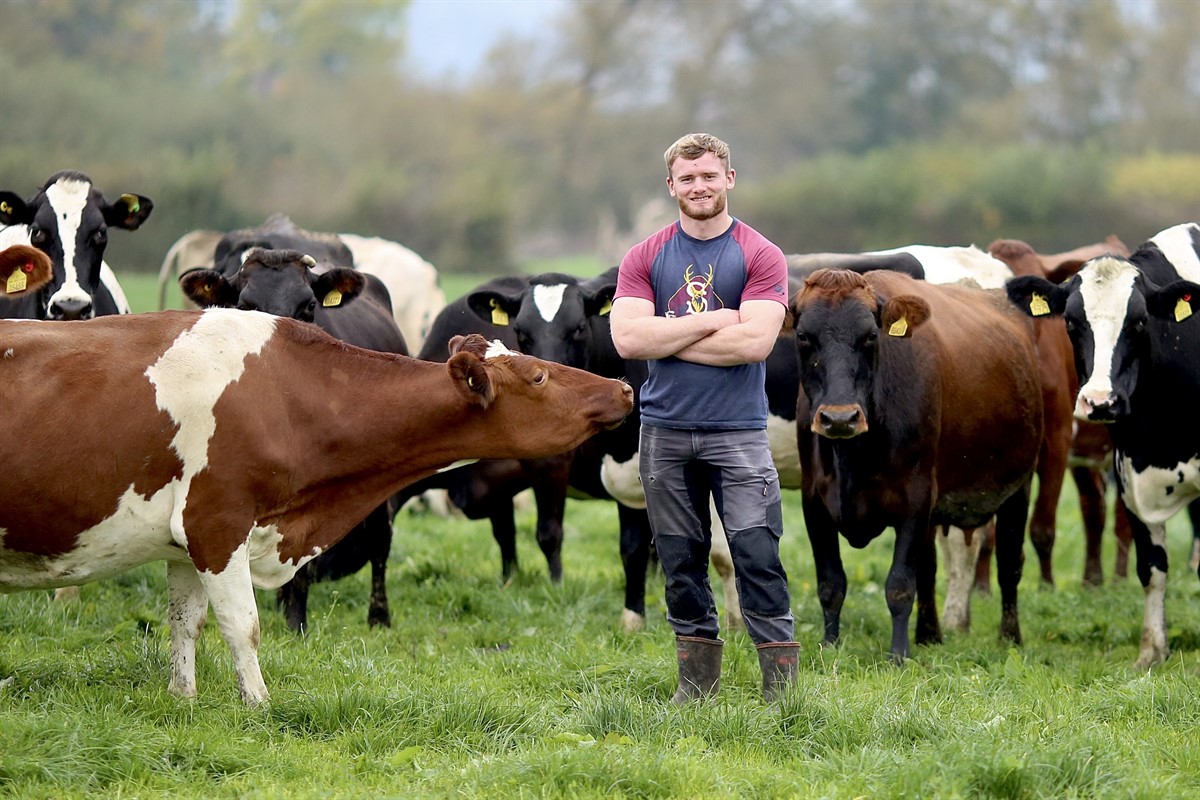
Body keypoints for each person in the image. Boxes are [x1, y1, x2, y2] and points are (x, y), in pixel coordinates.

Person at [609, 133, 798, 703]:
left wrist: (664, 339)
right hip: (663, 431)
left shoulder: (761, 255)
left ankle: (781, 695)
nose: (699, 186)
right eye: (687, 179)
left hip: (738, 432)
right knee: (680, 559)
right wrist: (719, 321)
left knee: (757, 554)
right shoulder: (644, 257)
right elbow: (626, 338)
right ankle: (697, 690)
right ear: (672, 187)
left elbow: (755, 344)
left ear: (729, 179)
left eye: (709, 176)